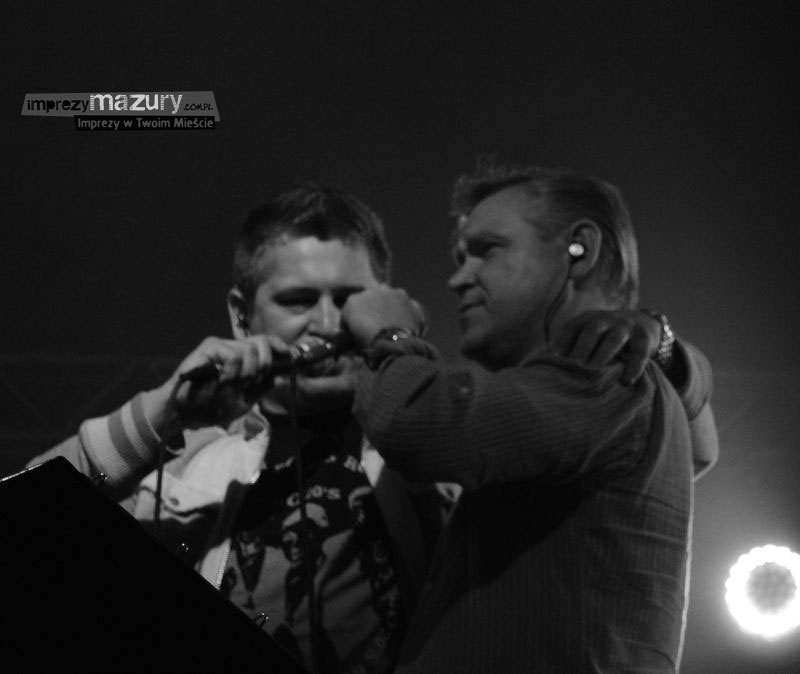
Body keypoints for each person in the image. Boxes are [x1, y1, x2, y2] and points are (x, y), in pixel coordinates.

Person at [27, 181, 707, 674]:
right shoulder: (181, 464)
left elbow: (683, 449)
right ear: (240, 315)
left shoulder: (441, 428)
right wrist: (158, 415)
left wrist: (665, 346)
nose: (328, 324)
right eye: (299, 300)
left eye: (350, 300)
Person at [341, 162, 717, 673]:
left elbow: (418, 425)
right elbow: (702, 448)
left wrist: (391, 334)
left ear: (579, 249)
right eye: (460, 258)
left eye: (487, 250)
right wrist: (670, 349)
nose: (457, 279)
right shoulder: (608, 382)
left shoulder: (605, 373)